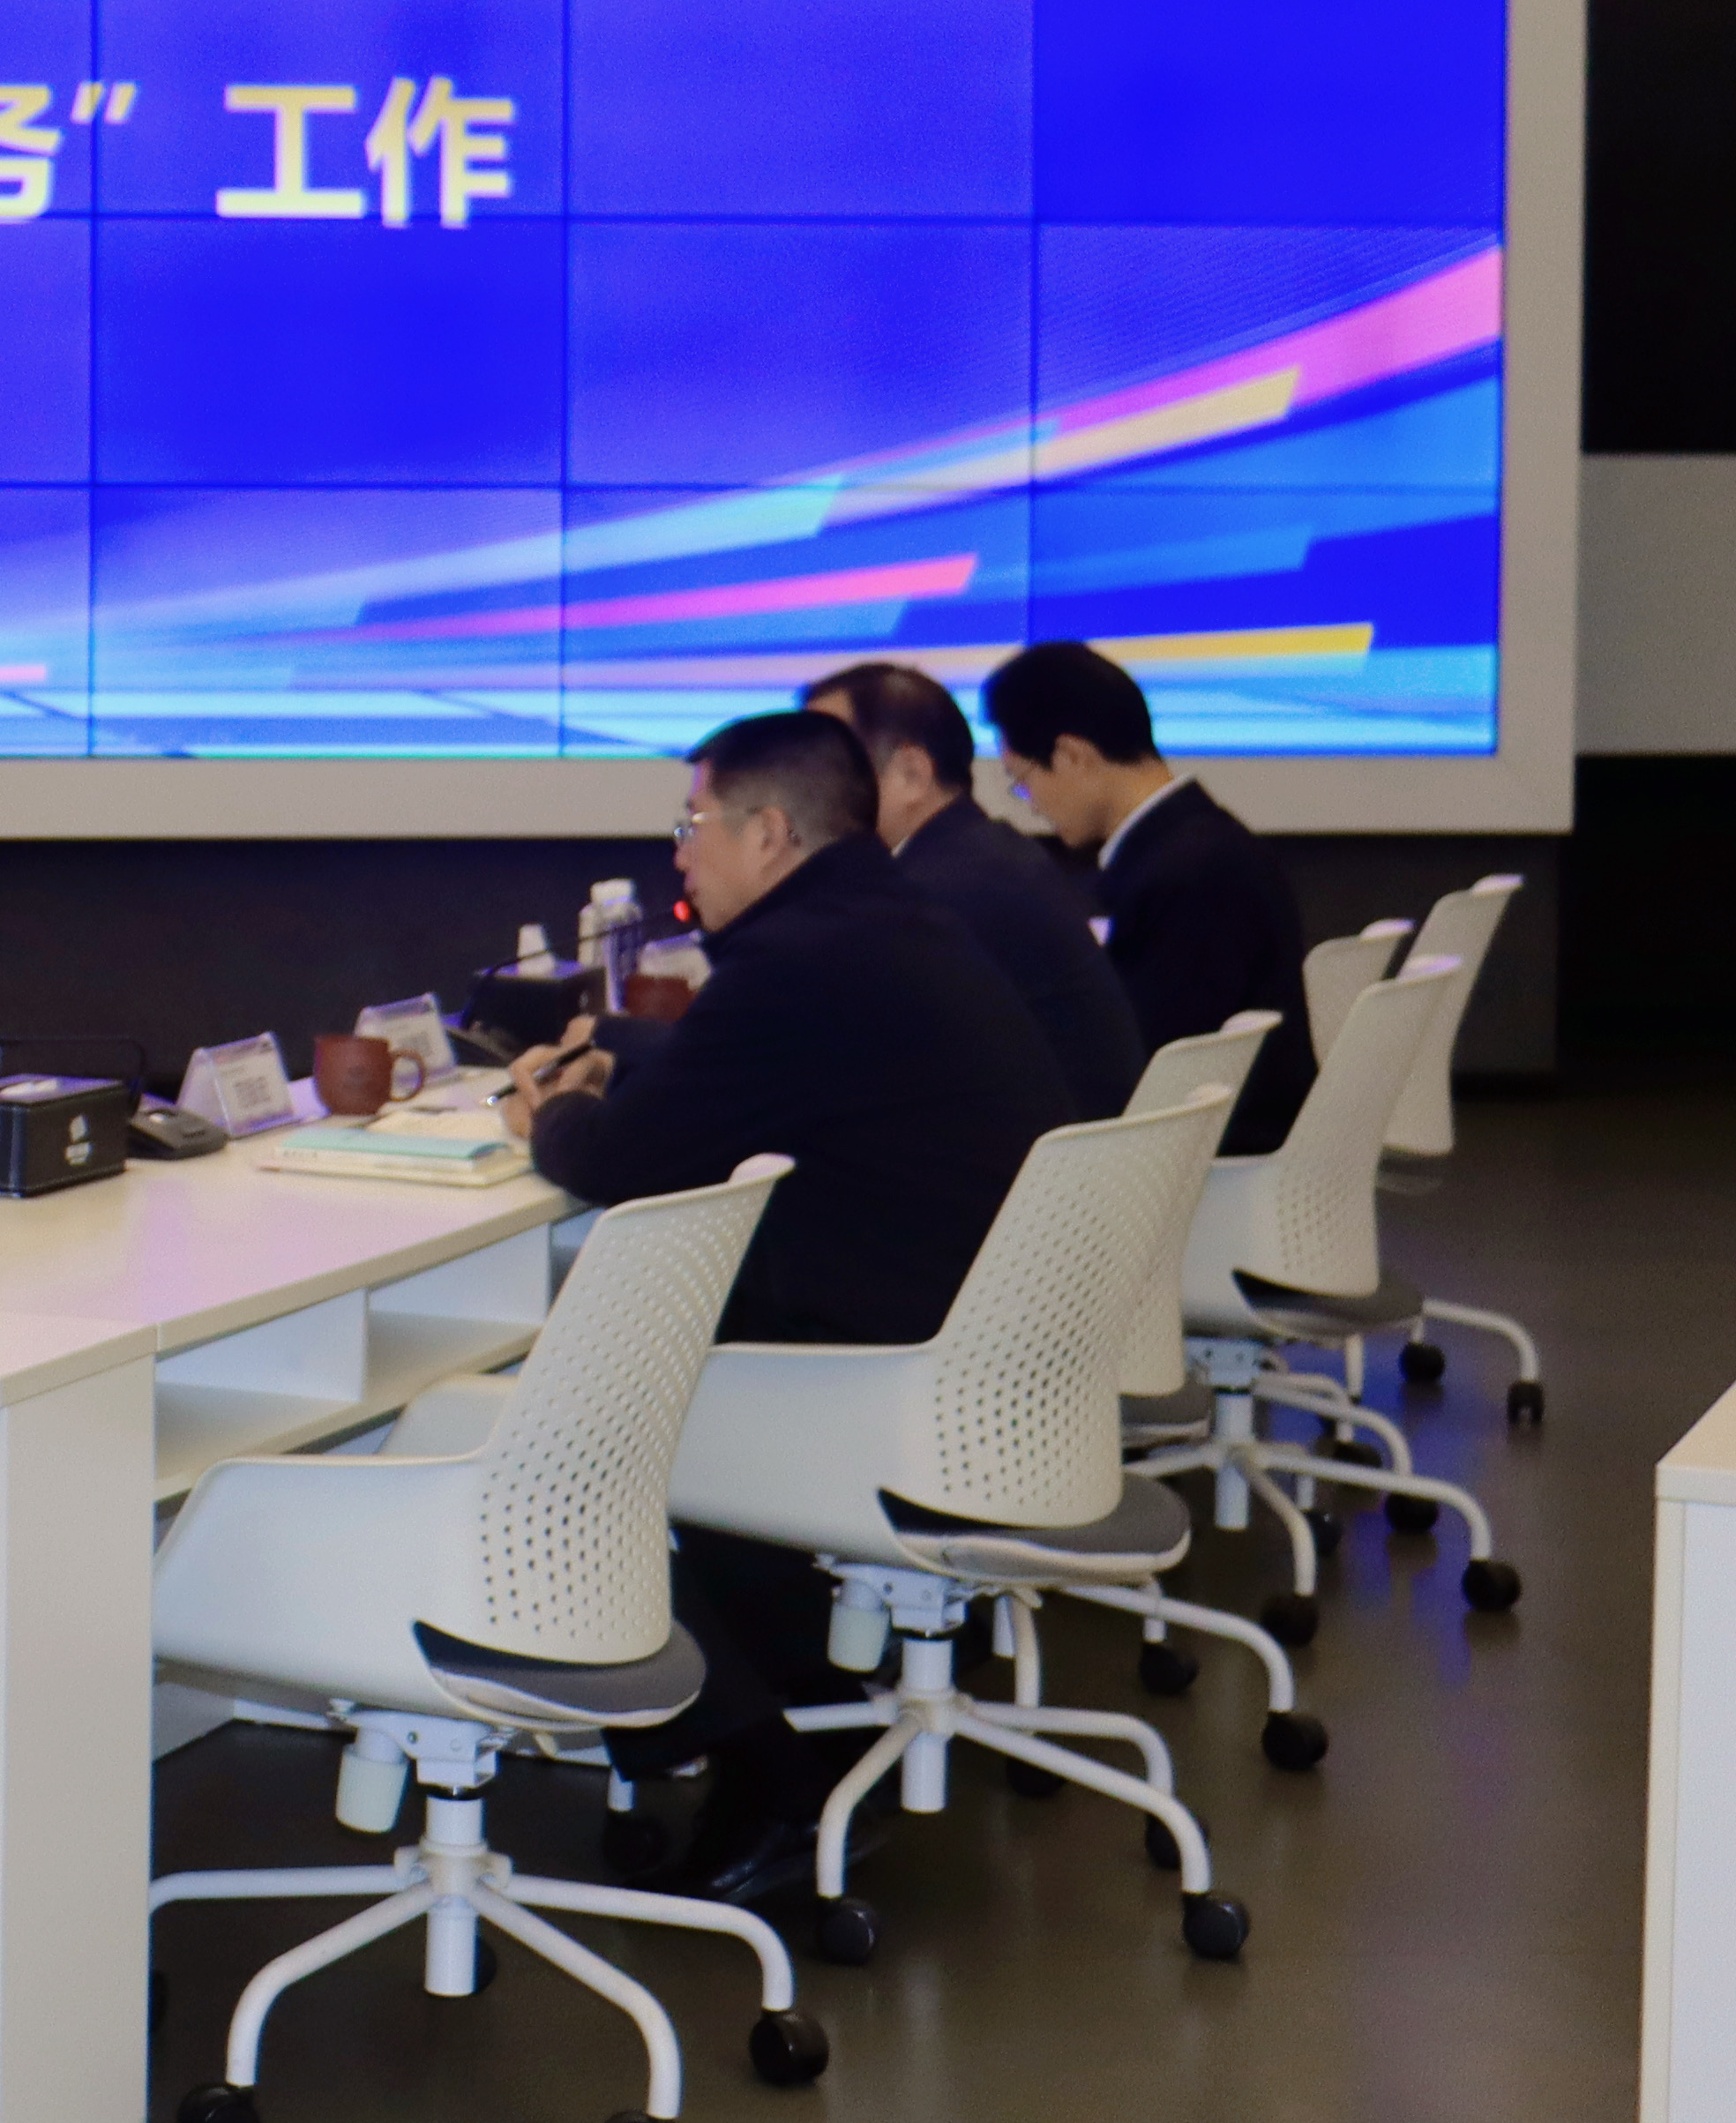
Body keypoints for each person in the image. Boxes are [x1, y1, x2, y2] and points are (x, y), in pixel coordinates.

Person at [501, 707, 1077, 1904]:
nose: (681, 853)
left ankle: (771, 1765)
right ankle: (791, 1708)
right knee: (669, 1358)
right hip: (994, 1351)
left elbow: (621, 1162)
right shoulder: (891, 922)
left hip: (895, 1369)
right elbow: (764, 1076)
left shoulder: (795, 960)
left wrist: (547, 1116)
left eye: (691, 824)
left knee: (588, 1414)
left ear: (766, 832)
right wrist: (629, 1065)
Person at [982, 639, 1318, 1154]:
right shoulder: (1200, 844)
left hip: (1205, 1160)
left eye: (1022, 781)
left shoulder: (1186, 875)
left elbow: (1137, 1067)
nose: (1031, 806)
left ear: (1072, 756)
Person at [807, 658, 1146, 1115]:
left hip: (1039, 1152)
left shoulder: (929, 896)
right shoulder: (987, 855)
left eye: (823, 768)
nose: (798, 792)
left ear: (911, 774)